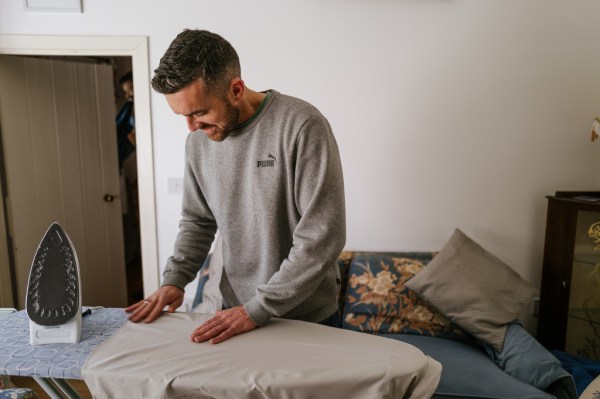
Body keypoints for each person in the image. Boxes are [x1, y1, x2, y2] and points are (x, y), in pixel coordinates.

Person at [125, 29, 346, 344]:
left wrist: (258, 309)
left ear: (236, 89)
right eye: (182, 116)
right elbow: (197, 221)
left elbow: (322, 236)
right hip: (234, 311)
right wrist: (175, 280)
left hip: (305, 317)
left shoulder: (302, 126)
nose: (192, 127)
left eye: (199, 112)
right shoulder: (198, 142)